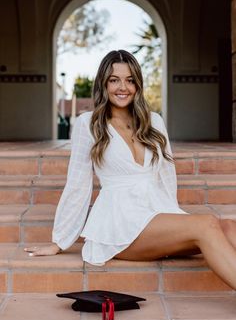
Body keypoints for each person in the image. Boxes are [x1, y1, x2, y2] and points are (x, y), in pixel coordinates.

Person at [25, 49, 236, 289]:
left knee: (228, 226)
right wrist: (60, 241)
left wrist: (174, 219)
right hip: (119, 223)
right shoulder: (90, 123)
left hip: (153, 213)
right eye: (114, 80)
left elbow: (166, 176)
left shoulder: (153, 121)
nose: (122, 87)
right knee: (207, 223)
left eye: (130, 80)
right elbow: (78, 183)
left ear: (138, 84)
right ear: (103, 84)